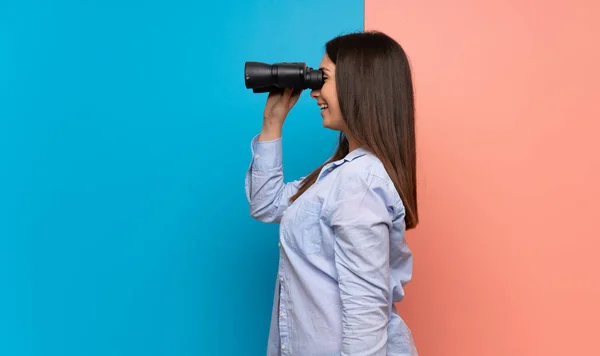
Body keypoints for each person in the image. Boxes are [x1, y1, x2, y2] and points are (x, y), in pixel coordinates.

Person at [244, 30, 419, 356]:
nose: (314, 92)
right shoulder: (339, 174)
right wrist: (272, 121)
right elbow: (267, 204)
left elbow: (365, 313)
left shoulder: (359, 182)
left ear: (360, 84)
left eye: (322, 79)